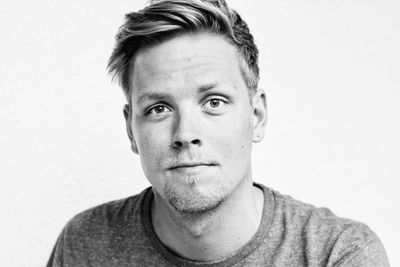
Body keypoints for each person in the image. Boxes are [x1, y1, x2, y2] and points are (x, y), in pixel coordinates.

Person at [47, 0, 390, 266]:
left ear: (256, 116)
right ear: (131, 130)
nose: (185, 133)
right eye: (159, 108)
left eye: (213, 102)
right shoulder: (85, 244)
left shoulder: (337, 254)